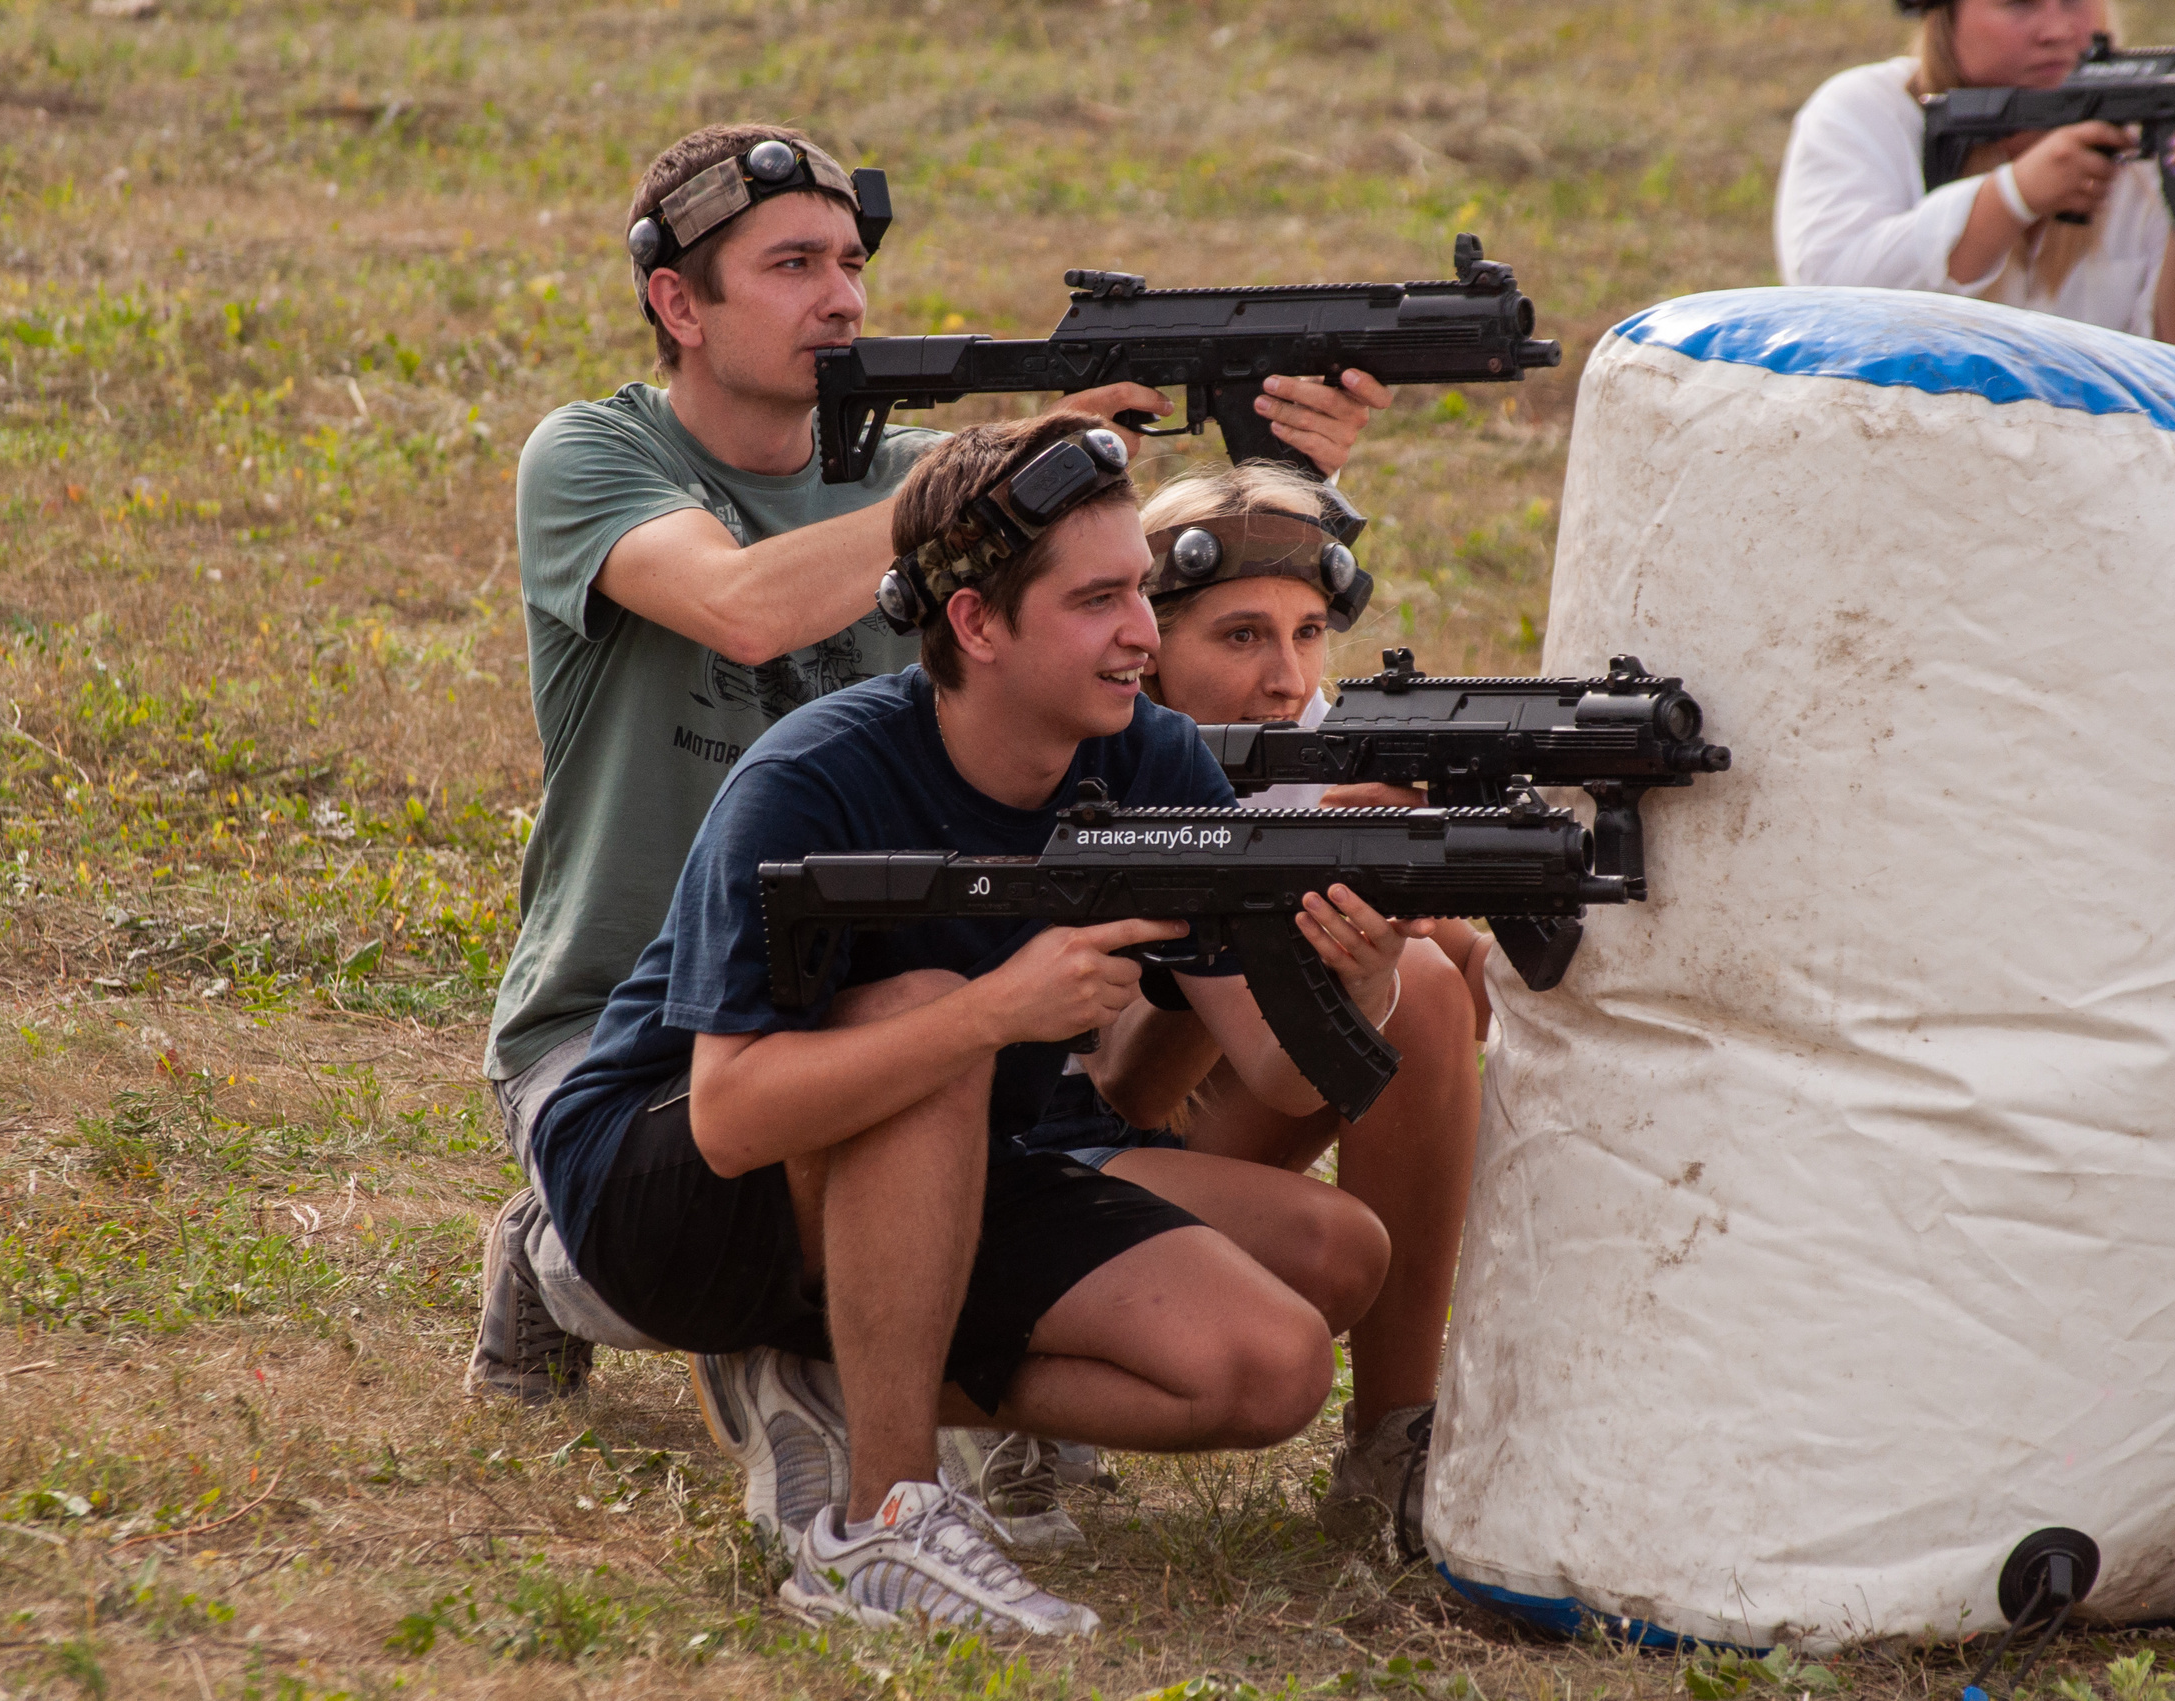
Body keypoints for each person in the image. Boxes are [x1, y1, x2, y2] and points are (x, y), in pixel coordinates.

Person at [467, 120, 1390, 1417]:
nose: (841, 297)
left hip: (891, 975)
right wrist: (997, 483)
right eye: (792, 265)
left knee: (1255, 1254)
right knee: (881, 1073)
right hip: (620, 1023)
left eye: (851, 262)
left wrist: (1291, 463)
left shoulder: (916, 484)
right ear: (676, 301)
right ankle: (568, 1256)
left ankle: (861, 1353)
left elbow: (1128, 599)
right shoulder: (596, 457)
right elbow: (743, 607)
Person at [524, 413, 1407, 1632]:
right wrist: (997, 1012)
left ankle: (834, 1363)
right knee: (939, 1020)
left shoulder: (1147, 760)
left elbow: (1270, 1061)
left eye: (1141, 596)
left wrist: (1364, 977)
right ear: (977, 625)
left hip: (953, 1161)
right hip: (662, 1191)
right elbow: (726, 1118)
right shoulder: (812, 778)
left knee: (1272, 1365)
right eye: (1098, 602)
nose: (1142, 636)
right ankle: (877, 1525)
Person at [1002, 461, 1491, 1561]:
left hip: (1162, 1137)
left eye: (1309, 633)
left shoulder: (1302, 759)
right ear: (1143, 635)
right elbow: (1111, 1081)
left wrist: (1414, 913)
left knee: (1424, 991)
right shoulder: (1084, 747)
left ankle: (1392, 1444)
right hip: (1032, 1146)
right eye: (1239, 638)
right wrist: (1224, 923)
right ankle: (998, 1397)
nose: (1286, 677)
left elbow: (1429, 998)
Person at [1774, 0, 2175, 354]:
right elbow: (1833, 294)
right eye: (2019, 3)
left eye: (2074, 1)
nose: (2055, 29)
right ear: (1944, 15)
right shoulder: (1866, 112)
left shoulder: (2142, 130)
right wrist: (2013, 197)